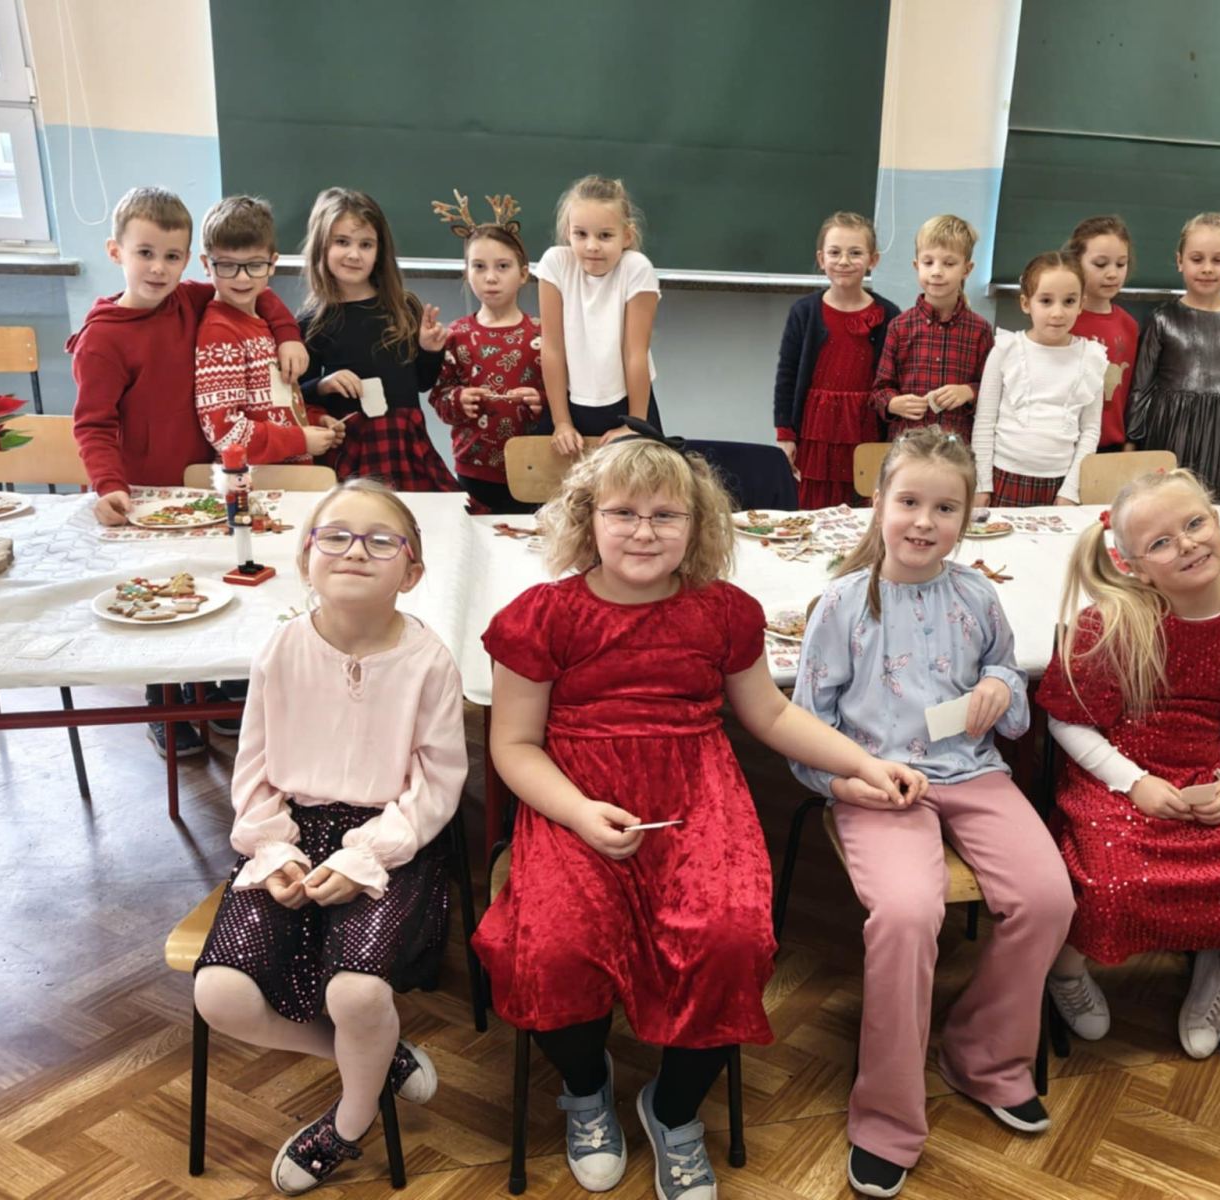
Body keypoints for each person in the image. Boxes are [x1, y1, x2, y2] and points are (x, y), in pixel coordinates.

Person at [474, 425, 925, 1200]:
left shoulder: (723, 612)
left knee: (730, 941)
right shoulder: (542, 616)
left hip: (694, 793)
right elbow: (513, 745)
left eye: (665, 516)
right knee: (551, 951)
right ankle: (586, 1089)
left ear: (697, 525)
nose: (643, 532)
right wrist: (578, 813)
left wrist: (861, 762)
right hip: (576, 796)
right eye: (623, 513)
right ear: (587, 519)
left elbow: (771, 715)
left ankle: (673, 1109)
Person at [792, 428, 1073, 1198]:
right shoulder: (842, 605)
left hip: (973, 773)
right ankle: (887, 1116)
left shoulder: (977, 595)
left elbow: (1007, 680)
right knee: (908, 915)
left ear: (968, 515)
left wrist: (1001, 689)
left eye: (945, 508)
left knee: (1048, 898)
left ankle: (983, 1056)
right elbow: (803, 727)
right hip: (878, 780)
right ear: (878, 502)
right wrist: (843, 783)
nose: (924, 521)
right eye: (909, 502)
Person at [191, 480, 465, 1194]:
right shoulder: (282, 649)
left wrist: (365, 855)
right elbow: (253, 771)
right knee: (219, 994)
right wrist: (275, 849)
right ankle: (376, 1059)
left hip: (392, 839)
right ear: (305, 560)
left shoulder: (429, 661)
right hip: (290, 832)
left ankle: (350, 1119)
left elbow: (437, 784)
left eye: (381, 541)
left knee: (358, 996)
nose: (355, 551)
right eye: (335, 536)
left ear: (411, 572)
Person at [1038, 469, 1220, 1058]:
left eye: (1195, 523)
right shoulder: (1112, 623)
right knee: (1112, 886)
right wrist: (1134, 782)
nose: (1188, 544)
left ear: (1218, 523)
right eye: (1161, 542)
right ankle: (1065, 974)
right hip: (1115, 780)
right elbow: (1067, 721)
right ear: (1134, 566)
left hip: (1210, 778)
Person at [66, 186, 306, 758]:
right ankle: (165, 704)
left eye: (171, 256)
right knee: (161, 596)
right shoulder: (102, 340)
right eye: (145, 253)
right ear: (115, 252)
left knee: (217, 579)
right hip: (148, 496)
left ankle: (218, 687)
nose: (158, 268)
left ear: (187, 260)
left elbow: (256, 292)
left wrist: (288, 333)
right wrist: (109, 486)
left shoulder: (191, 297)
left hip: (207, 484)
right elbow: (93, 424)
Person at [296, 187, 461, 491]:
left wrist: (429, 350)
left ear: (379, 251)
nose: (354, 254)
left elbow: (421, 382)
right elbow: (298, 396)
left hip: (405, 444)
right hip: (351, 448)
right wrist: (324, 384)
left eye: (366, 244)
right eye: (342, 242)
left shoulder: (403, 307)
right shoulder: (313, 320)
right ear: (322, 245)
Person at [1124, 212, 1220, 499]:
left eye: (1218, 260)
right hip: (1168, 430)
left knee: (1209, 506)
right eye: (1197, 259)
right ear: (1180, 261)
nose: (1207, 269)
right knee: (1164, 503)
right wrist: (1132, 441)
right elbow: (1141, 386)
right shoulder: (1162, 318)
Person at [195, 195, 342, 464]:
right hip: (255, 483)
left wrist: (313, 420)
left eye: (254, 265)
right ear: (206, 265)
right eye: (227, 265)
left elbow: (274, 405)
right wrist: (300, 439)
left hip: (287, 477)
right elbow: (225, 434)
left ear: (272, 263)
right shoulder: (219, 333)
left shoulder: (266, 325)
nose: (242, 277)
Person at [429, 190, 545, 513]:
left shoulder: (542, 335)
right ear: (467, 272)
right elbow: (439, 396)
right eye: (479, 266)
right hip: (474, 470)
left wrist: (542, 401)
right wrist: (458, 400)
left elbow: (564, 396)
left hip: (536, 467)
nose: (490, 277)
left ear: (523, 273)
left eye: (503, 266)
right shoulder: (456, 335)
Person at [773, 211, 899, 508]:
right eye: (835, 252)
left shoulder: (889, 315)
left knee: (865, 506)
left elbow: (894, 379)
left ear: (873, 259)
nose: (844, 261)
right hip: (816, 430)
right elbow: (787, 375)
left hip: (865, 429)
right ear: (821, 258)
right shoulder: (804, 312)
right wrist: (785, 434)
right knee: (812, 509)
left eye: (855, 253)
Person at [535, 175, 662, 455]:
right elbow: (552, 347)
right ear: (567, 232)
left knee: (636, 478)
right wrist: (561, 422)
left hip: (628, 402)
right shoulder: (555, 264)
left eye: (605, 235)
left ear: (626, 236)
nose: (592, 246)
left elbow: (635, 353)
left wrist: (635, 425)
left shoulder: (637, 268)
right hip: (569, 402)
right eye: (581, 234)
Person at [971, 251, 1107, 507]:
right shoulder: (1005, 350)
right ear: (1026, 303)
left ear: (1081, 304)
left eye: (1069, 301)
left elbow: (1090, 430)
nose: (1058, 312)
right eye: (1046, 301)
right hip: (1003, 479)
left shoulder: (1092, 358)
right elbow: (985, 421)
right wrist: (982, 483)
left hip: (1060, 484)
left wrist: (1070, 490)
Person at [870, 214, 994, 444]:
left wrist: (968, 392)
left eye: (949, 263)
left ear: (967, 269)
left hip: (956, 448)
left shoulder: (980, 330)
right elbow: (880, 390)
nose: (937, 271)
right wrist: (893, 403)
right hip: (907, 446)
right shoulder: (899, 326)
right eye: (928, 263)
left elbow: (993, 391)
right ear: (916, 266)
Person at [1066, 215, 1138, 452]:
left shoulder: (1129, 326)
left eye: (1121, 264)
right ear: (1076, 262)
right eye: (1100, 264)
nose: (1112, 274)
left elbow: (1131, 392)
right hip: (1065, 444)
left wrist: (1130, 442)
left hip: (1110, 446)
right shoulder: (1064, 321)